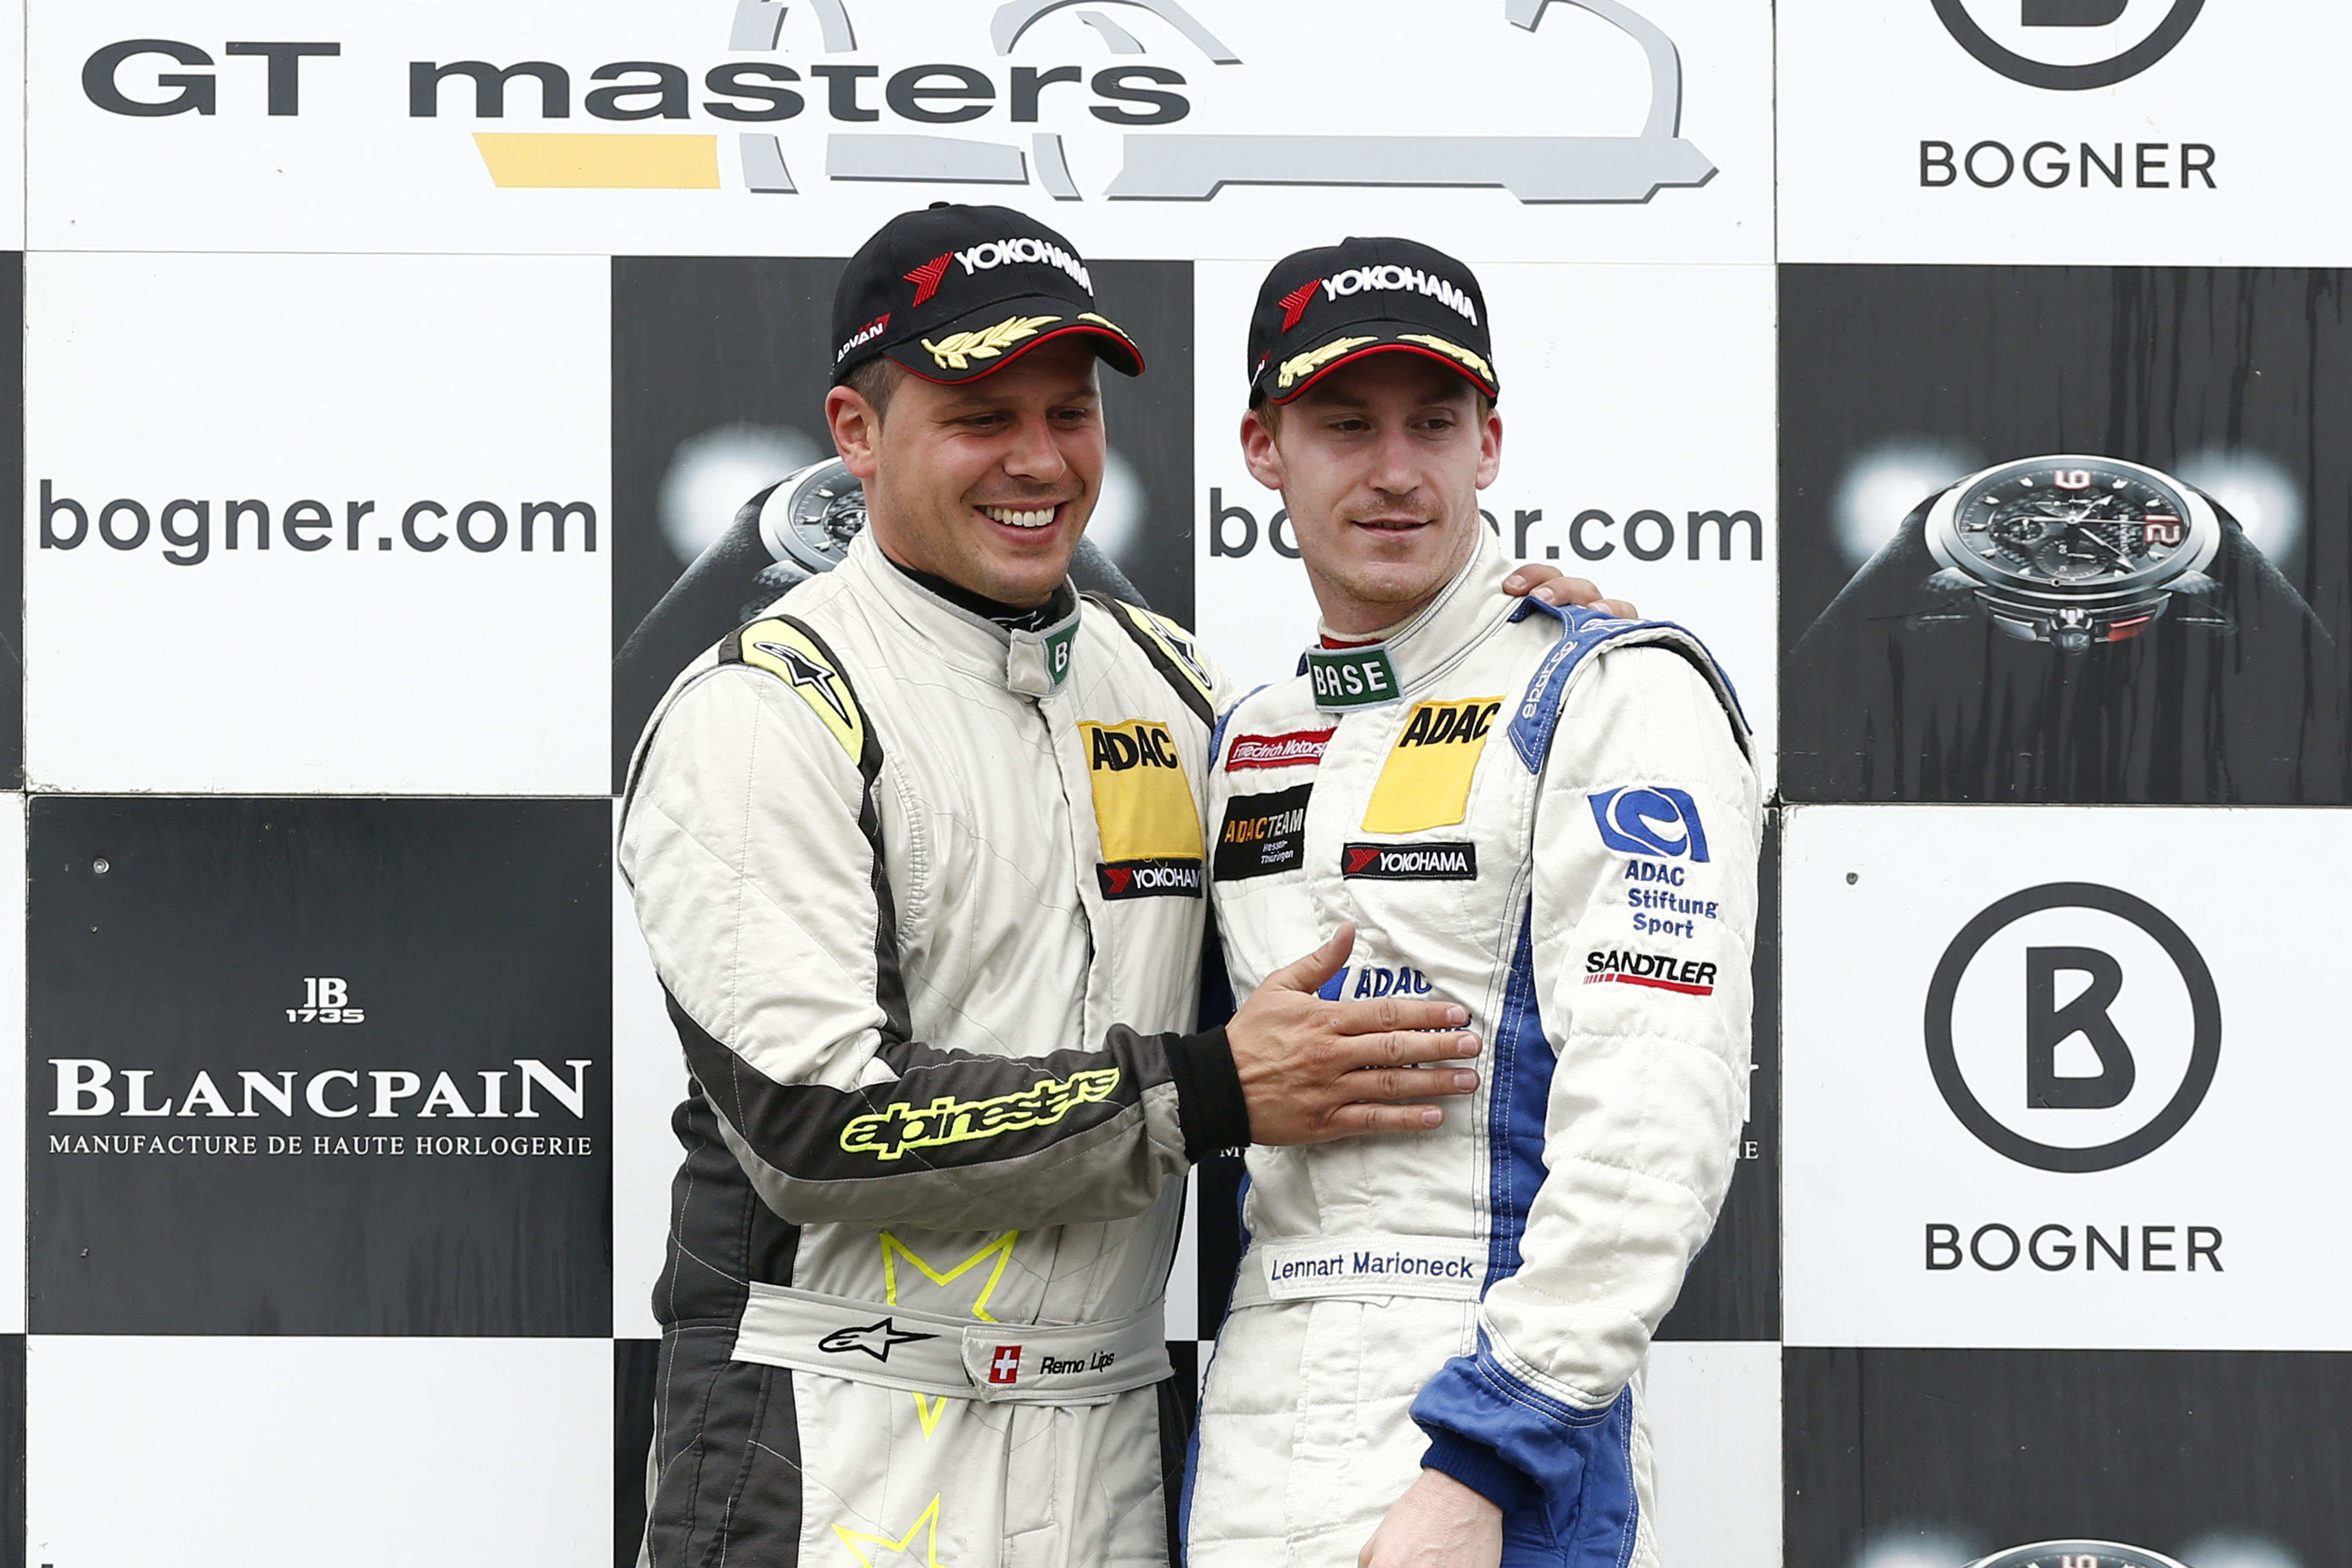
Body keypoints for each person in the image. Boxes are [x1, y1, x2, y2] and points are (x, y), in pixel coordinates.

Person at [618, 205, 1615, 1568]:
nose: (1038, 460)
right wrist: (1203, 1091)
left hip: (1113, 1456)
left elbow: (1384, 878)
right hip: (833, 1442)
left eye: (1069, 412)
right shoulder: (767, 708)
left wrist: (1541, 665)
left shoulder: (1177, 688)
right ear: (857, 431)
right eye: (981, 416)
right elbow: (812, 1122)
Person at [1182, 238, 1761, 1568]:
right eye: (1346, 425)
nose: (1397, 470)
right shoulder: (1247, 737)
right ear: (1265, 449)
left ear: (1488, 444)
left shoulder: (1612, 689)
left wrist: (1491, 1451)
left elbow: (1654, 1109)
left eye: (1434, 424)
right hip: (1254, 1432)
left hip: (1486, 1437)